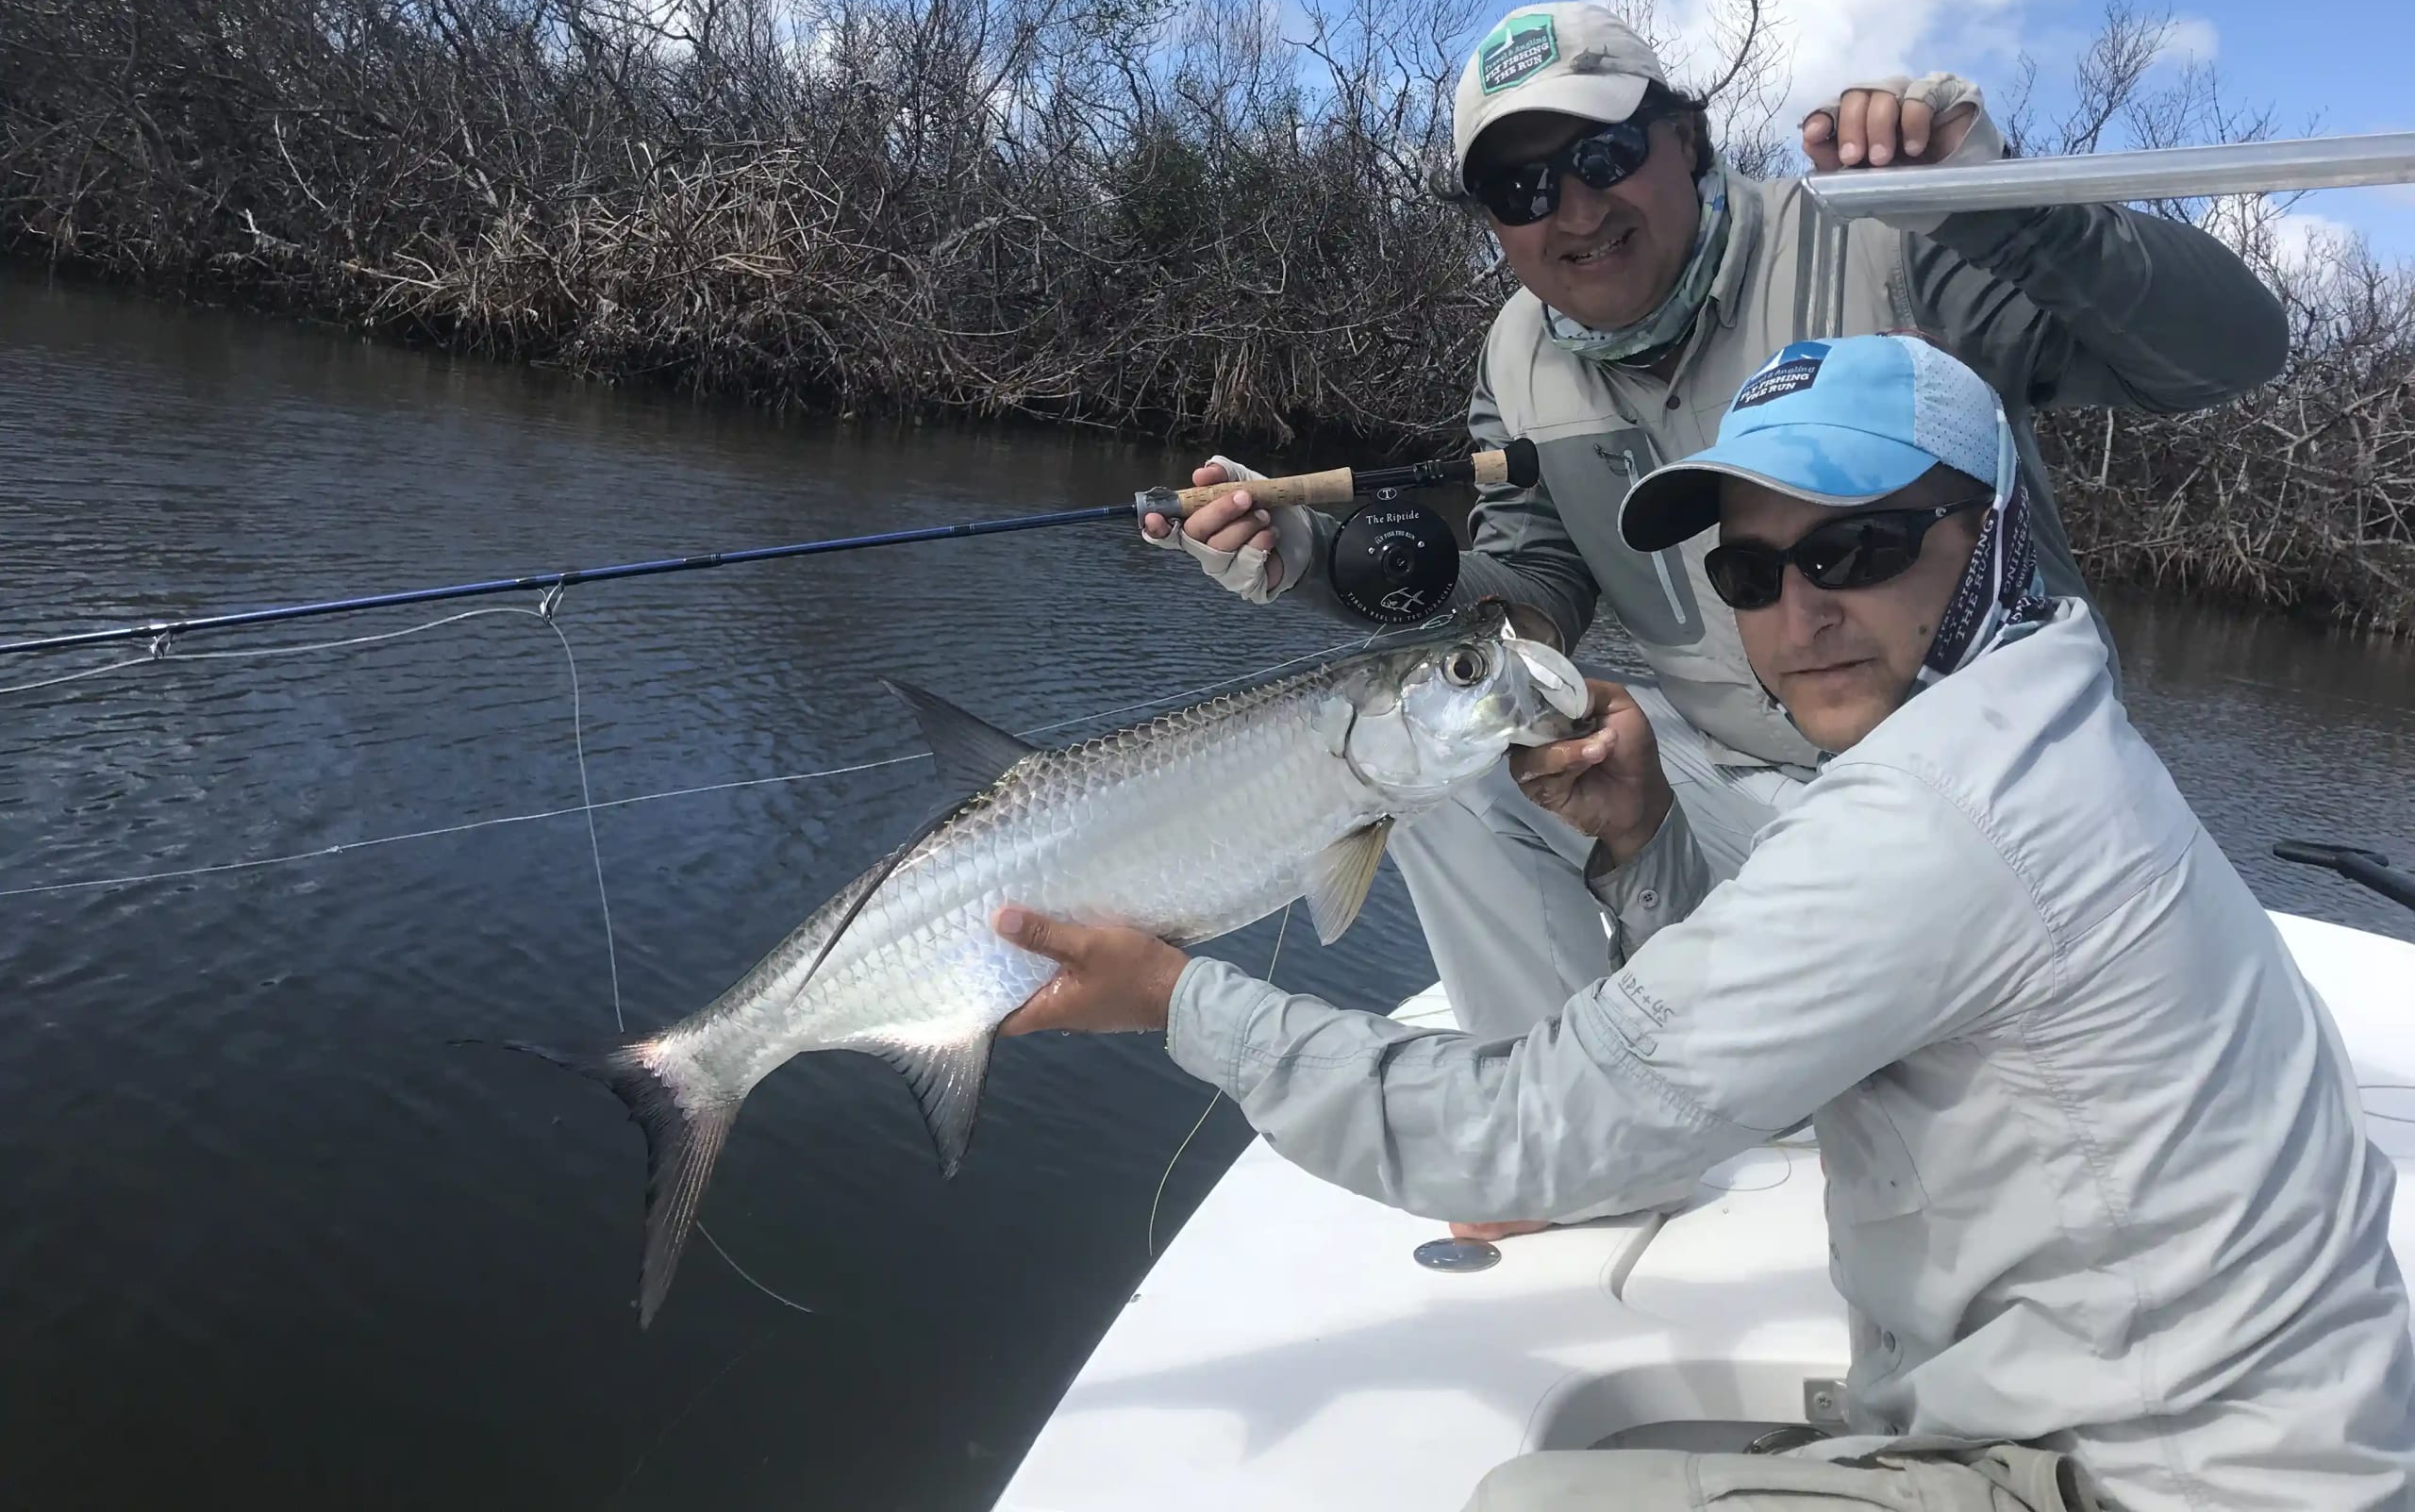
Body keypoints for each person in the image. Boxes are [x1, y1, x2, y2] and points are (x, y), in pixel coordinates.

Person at [1003, 334, 2415, 1511]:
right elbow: (1798, 1003)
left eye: (1856, 547)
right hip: (2227, 1426)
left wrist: (1178, 1002)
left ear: (1992, 532)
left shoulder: (1932, 819)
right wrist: (1643, 834)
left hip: (2169, 1480)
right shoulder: (2037, 712)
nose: (1800, 615)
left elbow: (1525, 1130)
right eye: (1750, 575)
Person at [1142, 1, 2291, 1047]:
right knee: (1439, 754)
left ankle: (1699, 1070)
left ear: (1685, 139)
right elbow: (1532, 585)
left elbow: (2231, 355)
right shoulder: (1515, 351)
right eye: (1522, 190)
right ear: (1492, 222)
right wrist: (1324, 569)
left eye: (1601, 155)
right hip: (1737, 792)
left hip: (1979, 805)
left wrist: (2007, 214)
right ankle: (1562, 1104)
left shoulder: (1887, 235)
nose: (1576, 212)